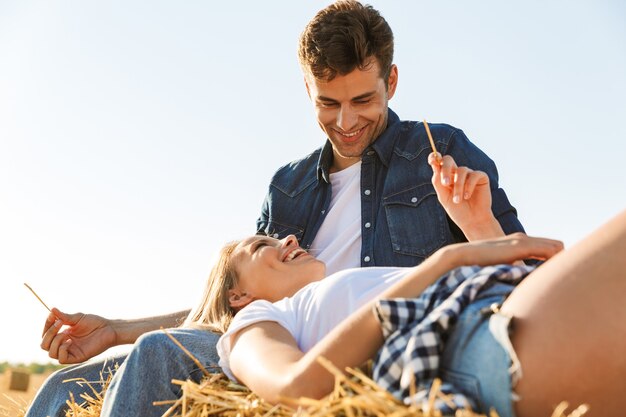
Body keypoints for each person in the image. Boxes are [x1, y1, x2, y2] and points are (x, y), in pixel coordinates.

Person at [27, 1, 526, 416]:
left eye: (362, 100)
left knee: (158, 354)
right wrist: (117, 330)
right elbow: (236, 304)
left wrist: (476, 220)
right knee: (63, 389)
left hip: (375, 339)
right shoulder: (287, 187)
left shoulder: (439, 149)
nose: (347, 121)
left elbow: (516, 267)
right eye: (328, 103)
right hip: (278, 340)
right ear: (307, 90)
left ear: (391, 82)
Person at [193, 166, 626, 417]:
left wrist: (477, 226)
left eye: (283, 238)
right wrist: (447, 259)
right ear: (237, 296)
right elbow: (293, 384)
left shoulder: (336, 291)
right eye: (260, 246)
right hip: (480, 338)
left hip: (503, 304)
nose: (287, 240)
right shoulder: (254, 322)